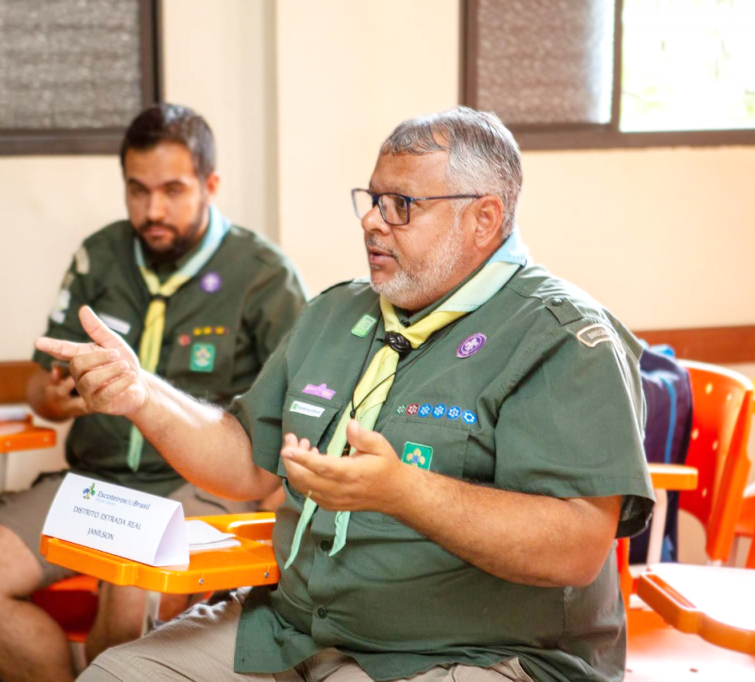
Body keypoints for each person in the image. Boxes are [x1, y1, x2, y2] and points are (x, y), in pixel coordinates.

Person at [38, 107, 655, 682]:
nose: (372, 221)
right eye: (372, 199)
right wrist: (141, 394)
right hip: (293, 628)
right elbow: (245, 457)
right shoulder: (336, 312)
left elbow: (576, 547)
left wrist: (404, 493)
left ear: (484, 219)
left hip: (469, 652)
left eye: (401, 205)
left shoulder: (562, 336)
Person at [0, 103, 308, 682]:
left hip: (198, 486)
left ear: (210, 185)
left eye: (172, 190)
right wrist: (53, 398)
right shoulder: (100, 256)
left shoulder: (264, 274)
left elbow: (303, 410)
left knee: (128, 598)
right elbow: (40, 387)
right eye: (137, 191)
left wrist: (272, 501)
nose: (152, 210)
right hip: (96, 482)